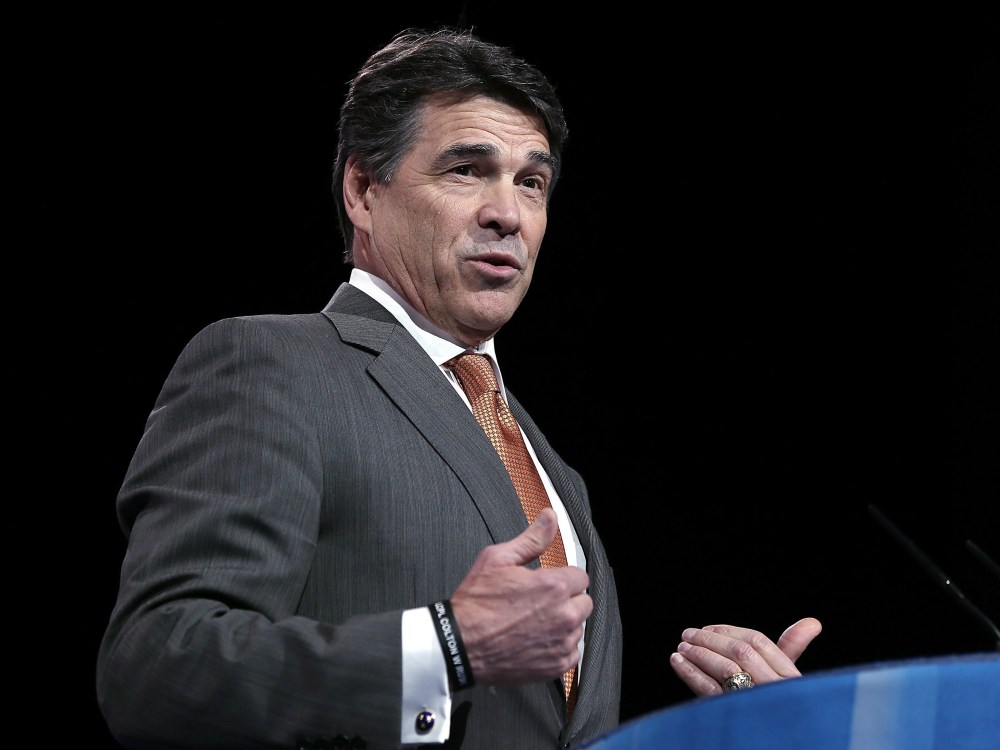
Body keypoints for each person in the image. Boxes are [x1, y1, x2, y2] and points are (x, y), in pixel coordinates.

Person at [96, 26, 822, 749]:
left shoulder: (551, 469)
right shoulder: (272, 365)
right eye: (467, 170)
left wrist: (740, 730)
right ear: (362, 189)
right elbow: (158, 668)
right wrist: (445, 645)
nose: (508, 213)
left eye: (530, 182)